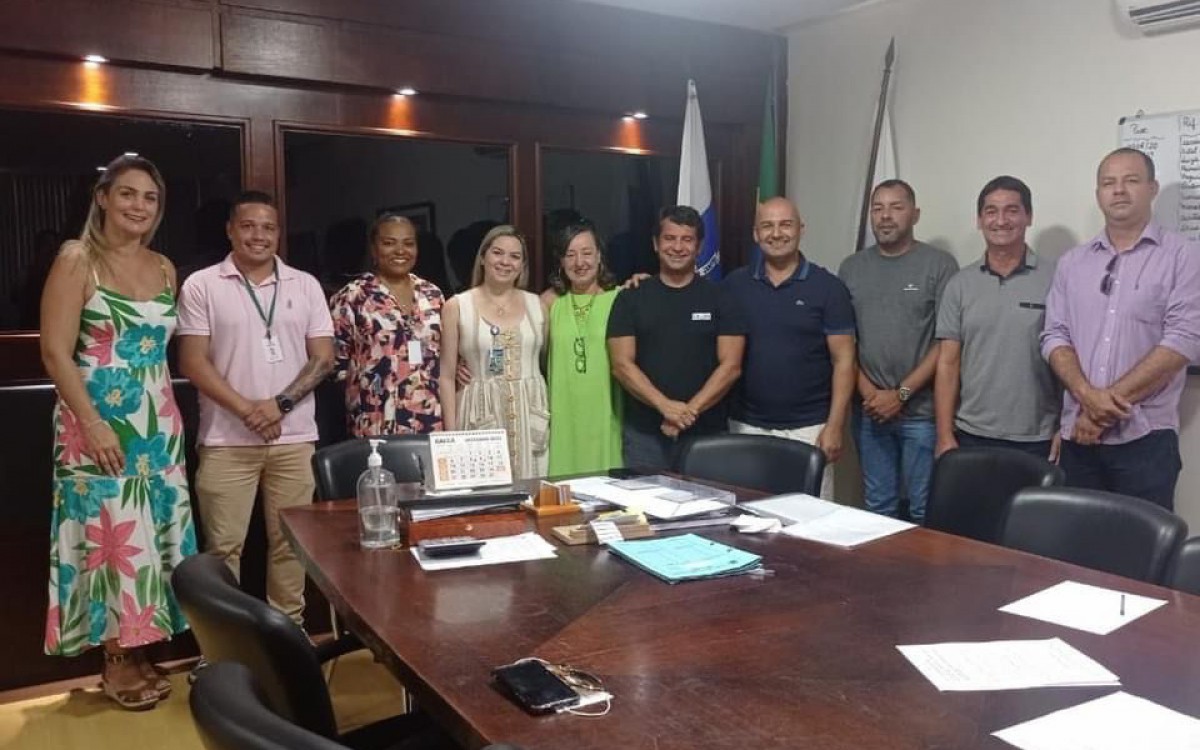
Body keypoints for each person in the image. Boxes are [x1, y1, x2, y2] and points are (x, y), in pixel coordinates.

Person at [40, 154, 196, 710]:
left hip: (156, 427)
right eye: (127, 194)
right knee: (111, 541)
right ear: (103, 197)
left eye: (149, 198)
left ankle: (143, 645)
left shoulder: (164, 267)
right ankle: (114, 660)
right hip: (97, 427)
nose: (138, 206)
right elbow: (56, 353)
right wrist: (94, 423)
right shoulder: (78, 259)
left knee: (150, 540)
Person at [178, 191, 334, 626]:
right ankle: (224, 642)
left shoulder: (304, 286)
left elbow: (323, 357)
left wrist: (279, 405)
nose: (258, 236)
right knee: (224, 546)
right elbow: (192, 360)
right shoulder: (202, 284)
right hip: (226, 439)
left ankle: (290, 632)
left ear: (278, 233)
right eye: (247, 226)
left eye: (268, 227)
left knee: (290, 544)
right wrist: (249, 409)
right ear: (230, 230)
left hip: (295, 436)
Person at [1041, 148, 1200, 510]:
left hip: (1145, 439)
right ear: (1098, 194)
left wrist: (1098, 410)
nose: (1119, 191)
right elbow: (1054, 335)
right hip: (1077, 438)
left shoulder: (1184, 256)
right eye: (1108, 183)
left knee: (1138, 557)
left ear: (1152, 188)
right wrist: (1086, 396)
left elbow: (1183, 341)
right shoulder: (1072, 263)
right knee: (1073, 552)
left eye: (1131, 181)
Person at [838, 180, 958, 524]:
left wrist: (902, 393)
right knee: (878, 509)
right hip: (870, 412)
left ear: (915, 214)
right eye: (878, 208)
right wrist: (869, 394)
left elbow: (946, 342)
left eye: (896, 207)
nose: (885, 217)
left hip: (921, 413)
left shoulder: (939, 265)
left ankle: (922, 579)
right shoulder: (852, 268)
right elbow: (846, 342)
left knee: (924, 510)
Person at [724, 197, 856, 499]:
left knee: (812, 523)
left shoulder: (828, 288)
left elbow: (844, 361)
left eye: (785, 224)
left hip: (810, 429)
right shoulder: (734, 285)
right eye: (767, 226)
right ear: (756, 234)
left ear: (801, 229)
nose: (776, 233)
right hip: (745, 426)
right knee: (748, 517)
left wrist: (835, 426)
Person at [607, 205, 747, 470]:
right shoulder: (630, 298)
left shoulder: (722, 298)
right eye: (670, 238)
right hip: (645, 437)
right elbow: (622, 366)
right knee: (645, 510)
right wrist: (665, 407)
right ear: (656, 244)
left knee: (710, 510)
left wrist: (686, 412)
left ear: (699, 246)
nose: (678, 247)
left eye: (687, 239)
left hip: (708, 435)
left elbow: (731, 367)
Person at [934, 177, 1059, 461]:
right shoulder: (960, 284)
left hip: (1037, 437)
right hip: (971, 433)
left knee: (1034, 508)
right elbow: (948, 363)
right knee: (975, 508)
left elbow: (1071, 357)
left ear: (1029, 216)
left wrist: (1065, 426)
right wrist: (944, 435)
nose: (1001, 220)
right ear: (979, 220)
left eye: (1012, 210)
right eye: (991, 211)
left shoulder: (1057, 278)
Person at [438, 225, 548, 479]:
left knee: (532, 497)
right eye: (498, 253)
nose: (505, 262)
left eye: (515, 256)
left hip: (530, 415)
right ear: (483, 258)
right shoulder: (457, 305)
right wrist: (451, 435)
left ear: (522, 265)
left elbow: (544, 361)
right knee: (482, 497)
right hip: (478, 412)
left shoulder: (539, 306)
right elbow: (446, 375)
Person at [330, 214, 444, 436]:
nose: (400, 250)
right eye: (389, 243)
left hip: (431, 419)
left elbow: (447, 354)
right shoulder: (353, 296)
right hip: (375, 420)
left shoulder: (432, 294)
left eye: (408, 243)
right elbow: (336, 365)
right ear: (374, 249)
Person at [541, 219, 623, 475]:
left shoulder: (621, 299)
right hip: (563, 417)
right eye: (570, 254)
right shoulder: (547, 303)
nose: (580, 262)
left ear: (599, 256)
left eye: (587, 253)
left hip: (606, 415)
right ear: (561, 262)